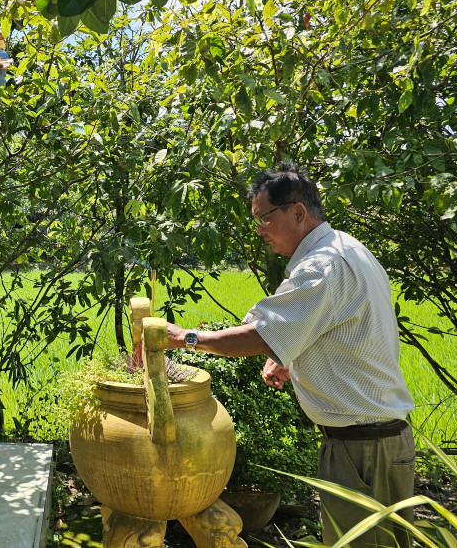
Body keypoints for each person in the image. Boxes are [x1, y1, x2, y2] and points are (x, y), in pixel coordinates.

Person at [167, 162, 415, 548]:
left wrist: (186, 338)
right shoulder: (345, 247)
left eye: (264, 218)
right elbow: (336, 328)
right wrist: (288, 354)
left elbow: (257, 335)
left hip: (363, 452)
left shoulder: (323, 265)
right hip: (376, 443)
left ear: (297, 212)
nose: (259, 230)